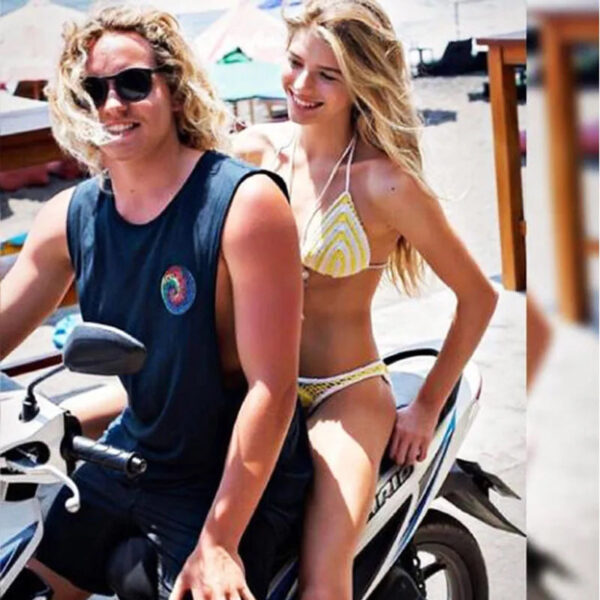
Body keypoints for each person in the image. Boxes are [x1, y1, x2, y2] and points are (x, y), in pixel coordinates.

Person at [0, 6, 312, 600]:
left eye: (132, 83)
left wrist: (219, 541)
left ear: (174, 88)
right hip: (131, 455)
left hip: (227, 478)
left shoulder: (242, 204)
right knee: (17, 574)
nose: (112, 104)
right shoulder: (71, 216)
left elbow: (272, 387)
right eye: (93, 90)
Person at [232, 1, 499, 598]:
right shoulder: (254, 151)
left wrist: (426, 405)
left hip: (344, 392)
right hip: (256, 383)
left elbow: (478, 296)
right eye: (296, 63)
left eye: (328, 75)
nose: (302, 85)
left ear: (362, 81)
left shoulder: (386, 182)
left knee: (324, 579)